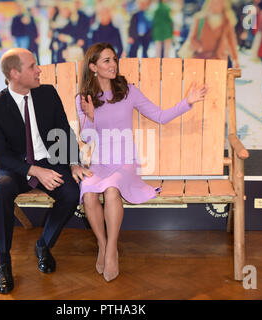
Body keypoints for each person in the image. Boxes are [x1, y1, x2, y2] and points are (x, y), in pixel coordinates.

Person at [76, 42, 207, 282]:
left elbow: (159, 116)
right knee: (88, 193)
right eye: (106, 60)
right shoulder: (84, 98)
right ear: (93, 66)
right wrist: (91, 116)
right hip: (99, 161)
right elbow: (86, 139)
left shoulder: (128, 91)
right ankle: (102, 245)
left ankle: (113, 249)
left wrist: (186, 102)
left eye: (114, 59)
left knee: (113, 188)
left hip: (125, 161)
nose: (113, 64)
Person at [0, 48, 92, 294]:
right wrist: (33, 170)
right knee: (0, 190)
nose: (39, 70)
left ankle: (43, 245)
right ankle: (4, 262)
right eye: (32, 66)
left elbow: (63, 130)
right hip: (18, 167)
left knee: (72, 193)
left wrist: (73, 162)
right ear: (14, 73)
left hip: (51, 162)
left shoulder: (47, 94)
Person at [188, 0, 239, 67]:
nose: (216, 5)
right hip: (200, 60)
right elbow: (192, 39)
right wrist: (200, 48)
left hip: (219, 60)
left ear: (224, 5)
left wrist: (235, 59)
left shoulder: (227, 21)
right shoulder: (200, 19)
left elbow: (231, 42)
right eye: (213, 3)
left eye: (219, 3)